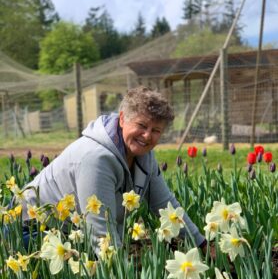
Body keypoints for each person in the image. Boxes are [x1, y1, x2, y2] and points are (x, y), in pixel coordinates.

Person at [22, 86, 206, 252]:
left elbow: (165, 204)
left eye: (156, 130)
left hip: (70, 235)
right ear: (123, 119)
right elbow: (100, 231)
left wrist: (202, 245)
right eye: (141, 125)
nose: (147, 135)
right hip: (30, 231)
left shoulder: (144, 156)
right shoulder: (96, 159)